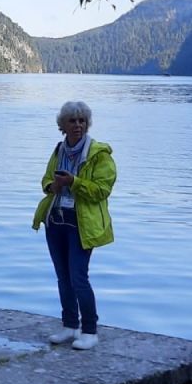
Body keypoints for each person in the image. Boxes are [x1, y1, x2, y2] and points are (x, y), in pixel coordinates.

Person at [32, 100, 116, 351]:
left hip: (82, 224)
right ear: (63, 125)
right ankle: (69, 326)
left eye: (82, 121)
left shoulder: (99, 154)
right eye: (73, 120)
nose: (78, 125)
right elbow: (46, 179)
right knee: (63, 278)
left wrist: (75, 182)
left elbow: (102, 190)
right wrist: (53, 186)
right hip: (56, 221)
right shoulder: (59, 150)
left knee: (79, 277)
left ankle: (90, 331)